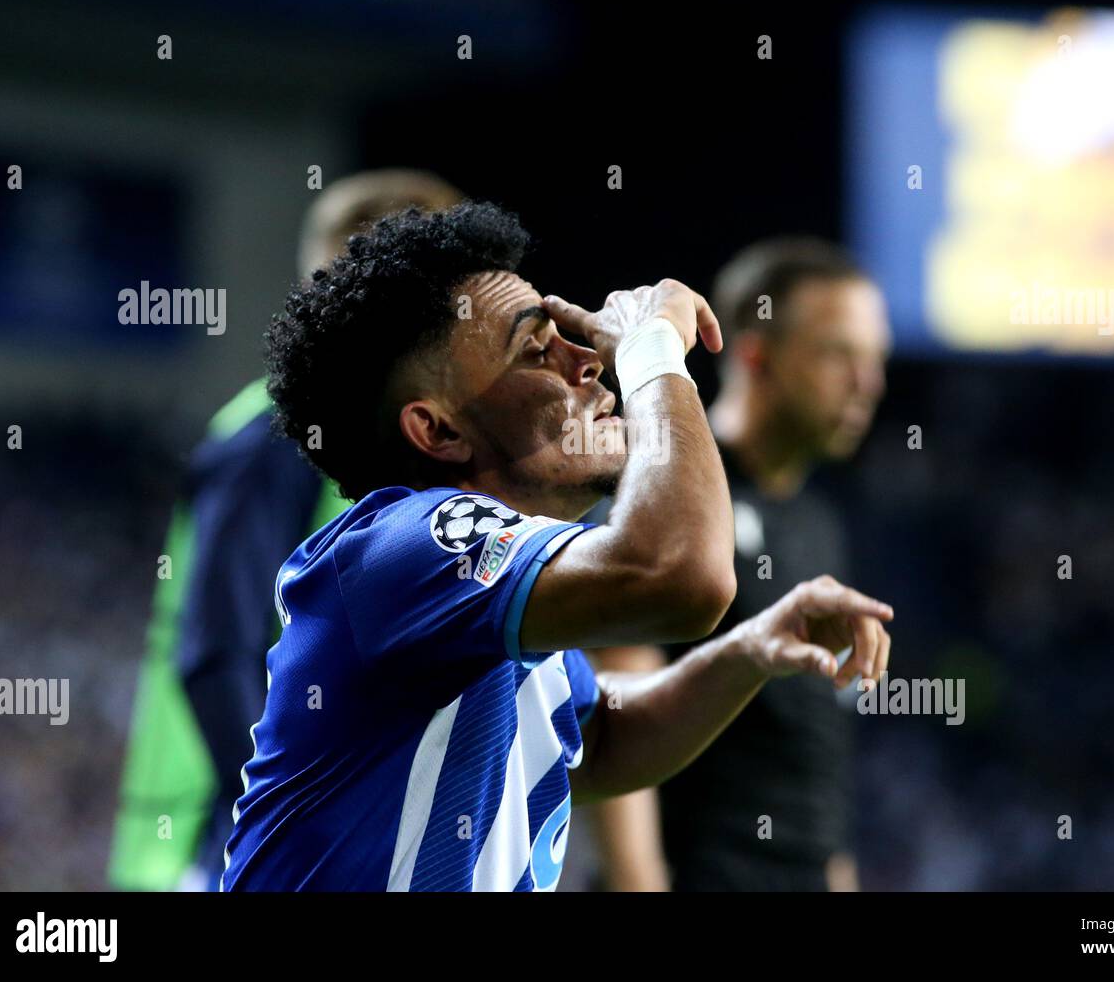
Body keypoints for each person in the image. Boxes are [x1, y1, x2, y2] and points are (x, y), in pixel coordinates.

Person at [221, 202, 893, 891]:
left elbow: (600, 742)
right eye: (537, 350)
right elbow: (678, 575)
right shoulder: (408, 542)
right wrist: (653, 351)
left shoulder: (495, 583)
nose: (589, 362)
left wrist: (747, 652)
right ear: (439, 431)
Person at [107, 169, 462, 892]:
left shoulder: (398, 440)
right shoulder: (273, 434)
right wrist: (294, 819)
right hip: (230, 852)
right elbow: (215, 653)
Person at [653, 236, 893, 891]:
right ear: (756, 353)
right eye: (838, 353)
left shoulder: (819, 525)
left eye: (875, 359)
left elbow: (815, 747)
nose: (867, 384)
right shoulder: (668, 487)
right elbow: (609, 700)